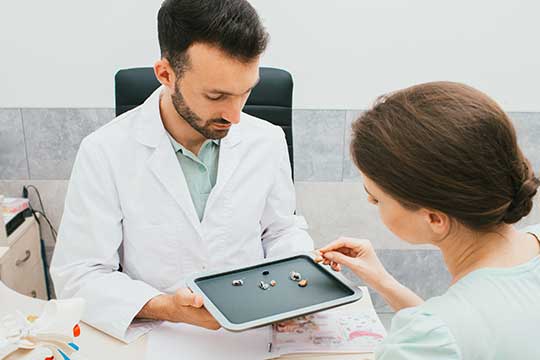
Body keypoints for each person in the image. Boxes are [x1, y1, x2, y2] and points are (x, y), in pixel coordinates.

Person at [50, 0, 313, 342]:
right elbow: (79, 275)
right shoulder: (104, 152)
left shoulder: (267, 140)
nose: (234, 116)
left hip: (252, 334)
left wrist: (299, 277)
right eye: (216, 96)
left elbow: (279, 232)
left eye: (246, 92)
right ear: (166, 75)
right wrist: (167, 307)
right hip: (159, 335)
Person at [318, 81, 540, 359]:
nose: (371, 203)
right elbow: (460, 332)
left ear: (434, 219)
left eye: (377, 199)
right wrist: (383, 281)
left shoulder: (427, 340)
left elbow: (444, 337)